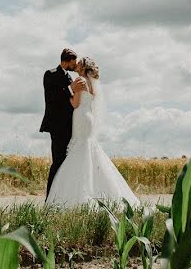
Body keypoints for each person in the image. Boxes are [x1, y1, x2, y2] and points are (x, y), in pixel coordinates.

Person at [46, 56, 139, 207]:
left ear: (83, 68)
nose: (76, 66)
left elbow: (75, 104)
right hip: (89, 118)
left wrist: (68, 95)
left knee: (80, 150)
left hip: (80, 117)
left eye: (79, 64)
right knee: (88, 148)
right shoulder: (91, 83)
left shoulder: (81, 82)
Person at [40, 48, 86, 198]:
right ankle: (49, 199)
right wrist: (70, 88)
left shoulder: (70, 77)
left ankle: (62, 196)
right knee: (58, 162)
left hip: (70, 126)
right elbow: (51, 98)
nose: (75, 65)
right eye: (74, 62)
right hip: (57, 127)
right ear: (67, 61)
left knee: (67, 164)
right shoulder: (50, 74)